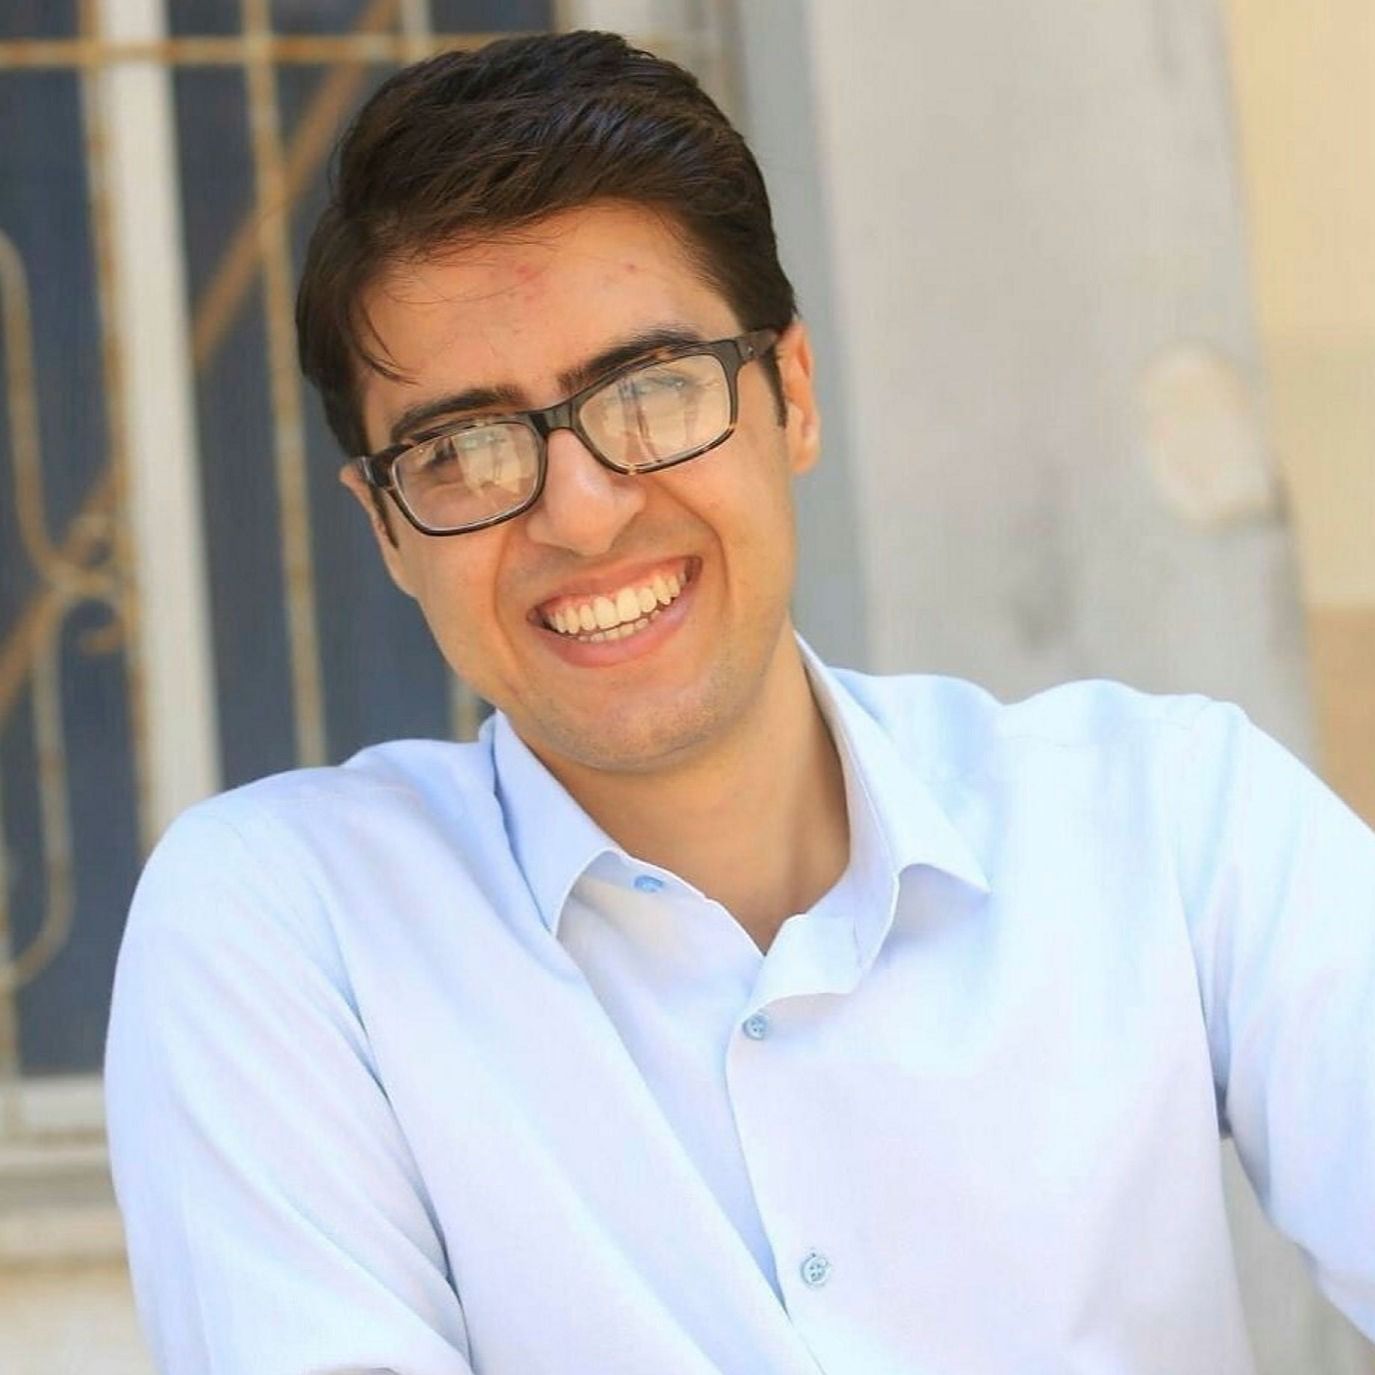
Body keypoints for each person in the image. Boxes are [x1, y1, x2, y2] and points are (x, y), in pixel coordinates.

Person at [104, 29, 1375, 1375]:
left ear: (795, 394)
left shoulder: (1173, 824)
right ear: (385, 530)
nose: (585, 510)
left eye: (649, 394)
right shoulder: (285, 932)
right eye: (464, 450)